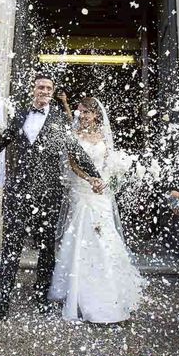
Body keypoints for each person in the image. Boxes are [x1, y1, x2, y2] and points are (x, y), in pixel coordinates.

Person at [0, 74, 104, 329]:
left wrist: (95, 175)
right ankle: (0, 302)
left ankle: (41, 295)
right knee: (11, 245)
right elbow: (5, 139)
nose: (44, 91)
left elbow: (75, 150)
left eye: (48, 88)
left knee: (45, 246)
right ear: (33, 90)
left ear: (52, 92)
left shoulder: (60, 120)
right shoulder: (20, 114)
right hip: (18, 190)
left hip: (48, 193)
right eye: (40, 87)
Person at [48, 97, 144, 323]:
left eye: (86, 113)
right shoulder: (73, 136)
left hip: (101, 193)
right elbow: (72, 165)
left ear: (95, 115)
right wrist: (90, 179)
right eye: (80, 112)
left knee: (105, 236)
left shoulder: (103, 136)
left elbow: (109, 165)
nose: (82, 116)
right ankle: (81, 292)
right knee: (82, 236)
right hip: (82, 190)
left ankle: (111, 288)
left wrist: (107, 181)